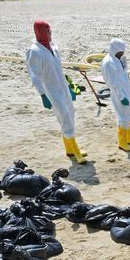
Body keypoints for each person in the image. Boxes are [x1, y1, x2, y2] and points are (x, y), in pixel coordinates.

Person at [25, 19, 87, 161]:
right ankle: (75, 150)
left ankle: (69, 149)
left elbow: (58, 69)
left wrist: (70, 87)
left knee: (71, 113)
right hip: (51, 90)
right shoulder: (34, 51)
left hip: (63, 87)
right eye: (46, 31)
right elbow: (35, 76)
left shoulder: (54, 48)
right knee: (64, 116)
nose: (49, 34)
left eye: (50, 31)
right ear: (39, 33)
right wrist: (43, 95)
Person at [101, 37, 130, 152]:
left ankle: (129, 138)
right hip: (118, 93)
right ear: (114, 50)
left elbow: (126, 76)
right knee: (122, 117)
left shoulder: (120, 59)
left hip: (127, 90)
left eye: (123, 52)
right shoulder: (108, 63)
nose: (122, 54)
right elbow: (112, 82)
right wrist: (121, 96)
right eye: (120, 52)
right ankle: (122, 142)